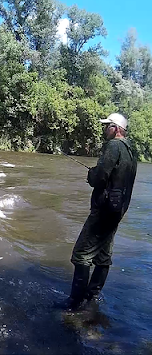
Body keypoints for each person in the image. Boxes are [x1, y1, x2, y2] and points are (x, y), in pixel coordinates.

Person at [58, 113, 138, 312]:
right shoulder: (131, 150)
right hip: (117, 211)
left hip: (103, 211)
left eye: (107, 126)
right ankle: (91, 297)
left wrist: (91, 175)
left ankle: (74, 303)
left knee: (81, 254)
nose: (104, 130)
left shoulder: (114, 146)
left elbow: (101, 176)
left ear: (116, 128)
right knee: (103, 256)